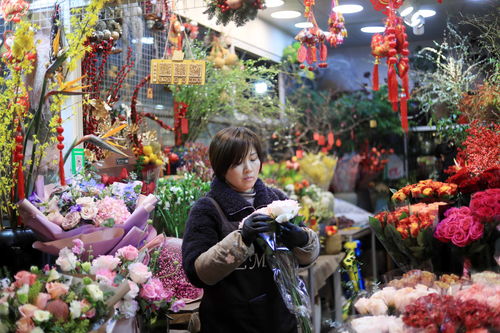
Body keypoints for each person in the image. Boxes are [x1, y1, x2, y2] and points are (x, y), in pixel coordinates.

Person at [182, 127, 320, 333]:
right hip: (230, 323)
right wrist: (241, 239)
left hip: (280, 321)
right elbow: (196, 272)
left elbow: (308, 258)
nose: (248, 169)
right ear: (221, 167)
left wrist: (301, 239)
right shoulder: (207, 209)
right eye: (238, 163)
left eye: (253, 159)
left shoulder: (277, 200)